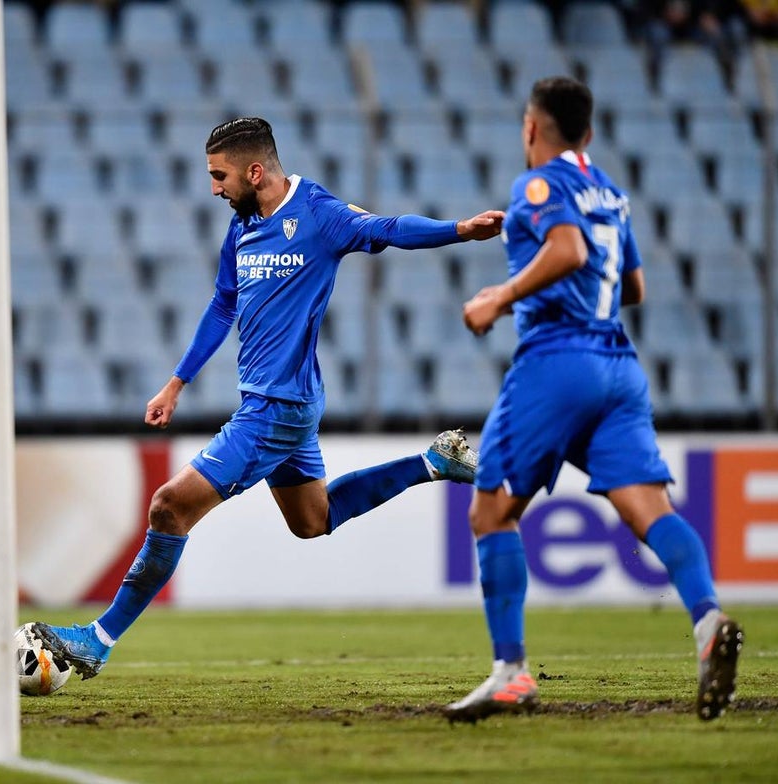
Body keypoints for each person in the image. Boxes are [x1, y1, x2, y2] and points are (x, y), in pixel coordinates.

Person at [28, 117, 505, 680]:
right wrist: (177, 382)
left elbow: (390, 227)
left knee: (167, 506)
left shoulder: (320, 216)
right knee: (312, 519)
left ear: (255, 170)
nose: (213, 188)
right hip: (286, 404)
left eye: (219, 175)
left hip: (275, 409)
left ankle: (97, 639)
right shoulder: (243, 227)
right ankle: (433, 462)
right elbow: (222, 305)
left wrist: (460, 230)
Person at [446, 76, 743, 724]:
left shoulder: (537, 185)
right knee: (649, 510)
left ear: (531, 129)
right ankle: (707, 621)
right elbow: (631, 285)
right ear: (590, 133)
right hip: (619, 367)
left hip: (558, 362)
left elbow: (569, 248)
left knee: (491, 513)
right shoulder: (610, 190)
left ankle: (511, 674)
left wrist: (500, 295)